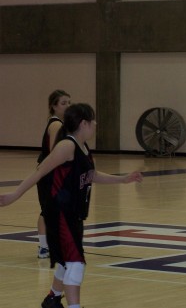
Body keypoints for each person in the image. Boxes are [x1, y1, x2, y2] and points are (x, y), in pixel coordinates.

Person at [0, 103, 143, 308]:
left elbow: (90, 175)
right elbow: (40, 171)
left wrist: (123, 179)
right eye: (93, 120)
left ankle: (53, 298)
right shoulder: (66, 146)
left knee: (66, 260)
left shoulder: (82, 146)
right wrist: (15, 194)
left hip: (74, 212)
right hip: (59, 212)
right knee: (75, 262)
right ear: (83, 123)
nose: (95, 124)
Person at [37, 90, 71, 259]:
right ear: (54, 106)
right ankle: (44, 247)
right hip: (49, 174)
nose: (67, 106)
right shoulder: (56, 124)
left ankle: (50, 245)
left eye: (69, 103)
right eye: (63, 103)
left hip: (50, 173)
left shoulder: (59, 124)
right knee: (48, 210)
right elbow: (54, 153)